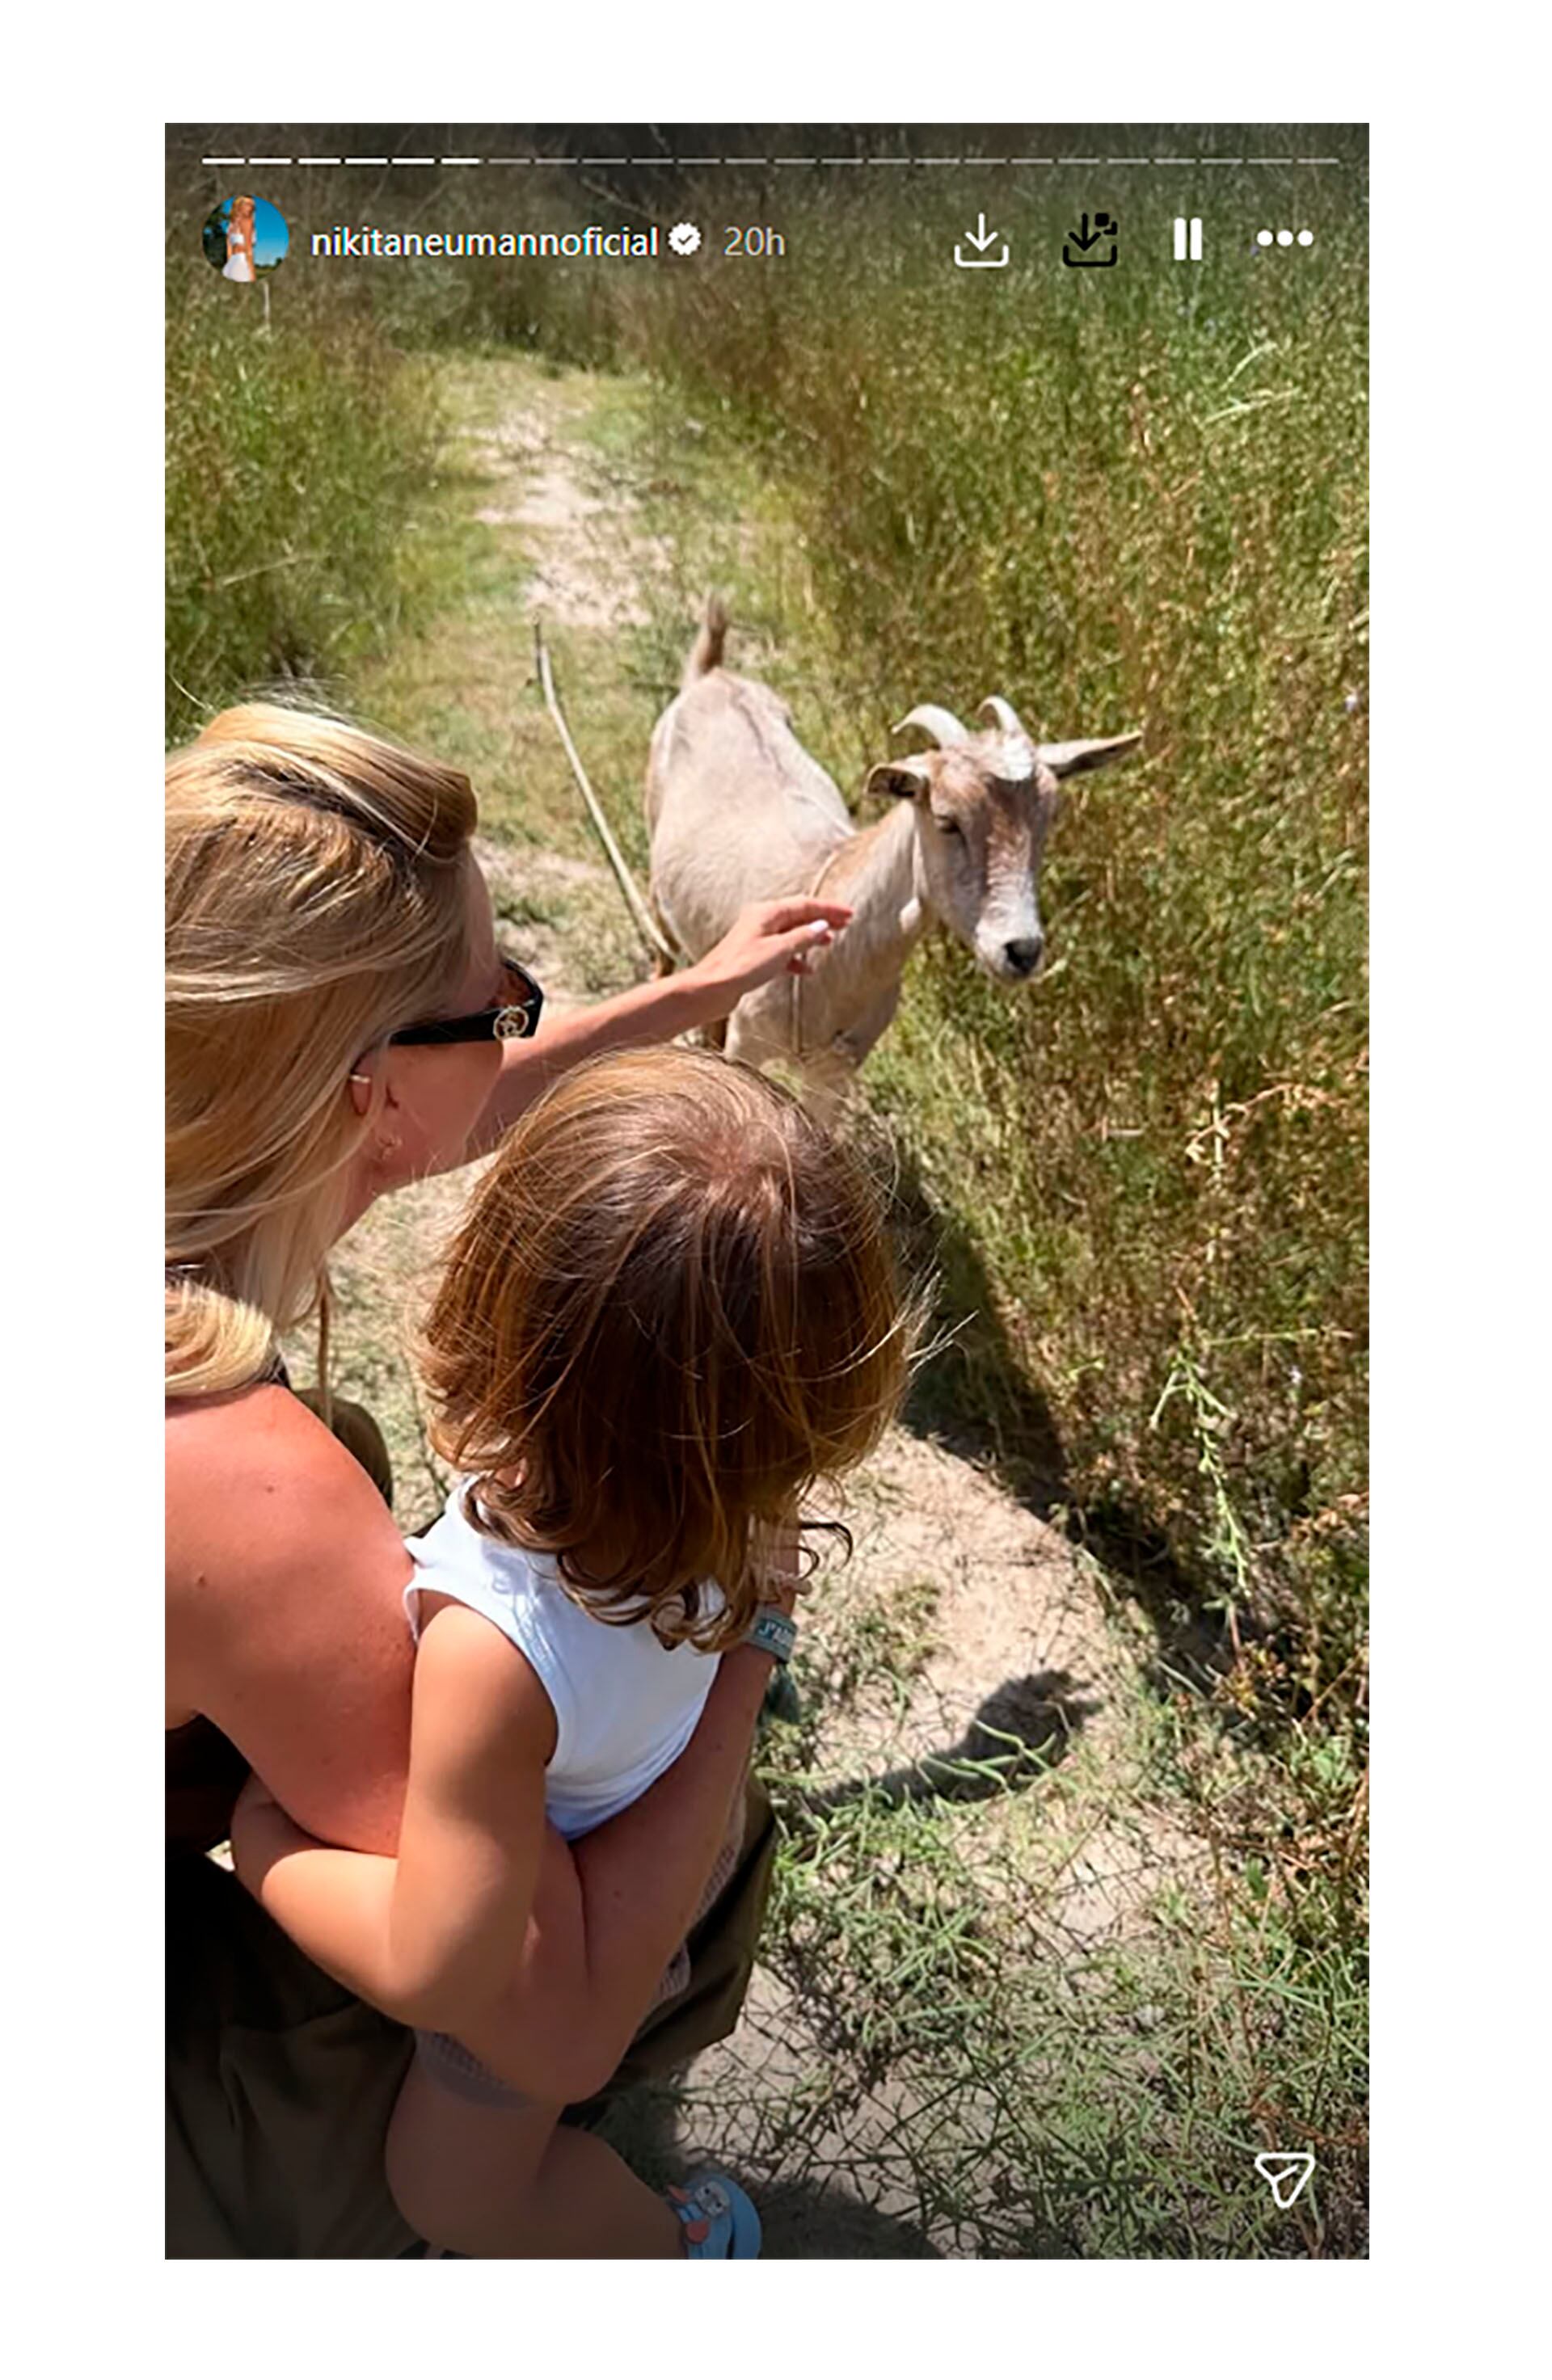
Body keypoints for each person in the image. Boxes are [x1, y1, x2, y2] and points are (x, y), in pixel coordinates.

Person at [167, 703, 854, 2257]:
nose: (515, 1030)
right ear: (362, 1093)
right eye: (497, 1005)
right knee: (435, 2125)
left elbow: (464, 1084)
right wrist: (745, 1667)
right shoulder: (252, 1498)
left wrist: (686, 994)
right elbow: (543, 2026)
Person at [231, 1047, 911, 2259]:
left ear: (499, 1295)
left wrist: (268, 1848)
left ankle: (665, 2251)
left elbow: (436, 1959)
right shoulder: (734, 1496)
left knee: (456, 2193)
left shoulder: (490, 1644)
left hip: (579, 1909)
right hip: (666, 1827)